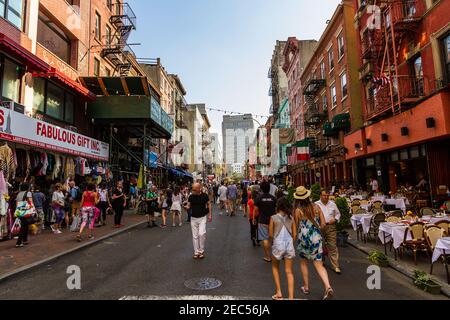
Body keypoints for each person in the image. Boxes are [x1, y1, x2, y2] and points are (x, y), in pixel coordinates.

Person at [294, 186, 334, 300]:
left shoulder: (298, 211)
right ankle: (328, 287)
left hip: (304, 240)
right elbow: (323, 224)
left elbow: (296, 226)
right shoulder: (317, 207)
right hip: (316, 238)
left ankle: (306, 287)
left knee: (303, 263)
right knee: (319, 265)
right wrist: (316, 232)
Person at [269, 197, 296, 300]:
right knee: (289, 271)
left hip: (278, 245)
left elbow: (271, 234)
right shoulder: (291, 218)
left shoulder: (273, 218)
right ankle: (291, 297)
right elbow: (295, 234)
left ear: (278, 206)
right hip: (289, 245)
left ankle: (279, 292)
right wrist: (290, 242)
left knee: (275, 267)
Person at [315, 190, 342, 274]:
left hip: (331, 227)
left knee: (332, 246)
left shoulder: (332, 204)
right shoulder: (316, 205)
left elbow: (338, 214)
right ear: (320, 196)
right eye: (324, 195)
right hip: (319, 227)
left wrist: (335, 219)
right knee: (320, 245)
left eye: (327, 195)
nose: (326, 197)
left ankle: (335, 266)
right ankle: (321, 262)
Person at [184, 183, 212, 259]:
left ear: (199, 188)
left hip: (202, 217)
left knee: (202, 234)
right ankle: (196, 252)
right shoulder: (191, 196)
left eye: (194, 189)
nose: (192, 191)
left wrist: (210, 215)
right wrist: (185, 207)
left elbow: (209, 204)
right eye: (192, 189)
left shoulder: (205, 196)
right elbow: (188, 206)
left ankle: (201, 250)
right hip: (193, 218)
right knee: (195, 236)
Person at [253, 181, 277, 263]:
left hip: (262, 220)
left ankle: (267, 256)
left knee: (265, 238)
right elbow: (276, 210)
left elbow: (256, 210)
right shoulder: (273, 198)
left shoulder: (258, 198)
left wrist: (254, 219)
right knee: (272, 237)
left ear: (262, 189)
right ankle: (275, 255)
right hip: (273, 221)